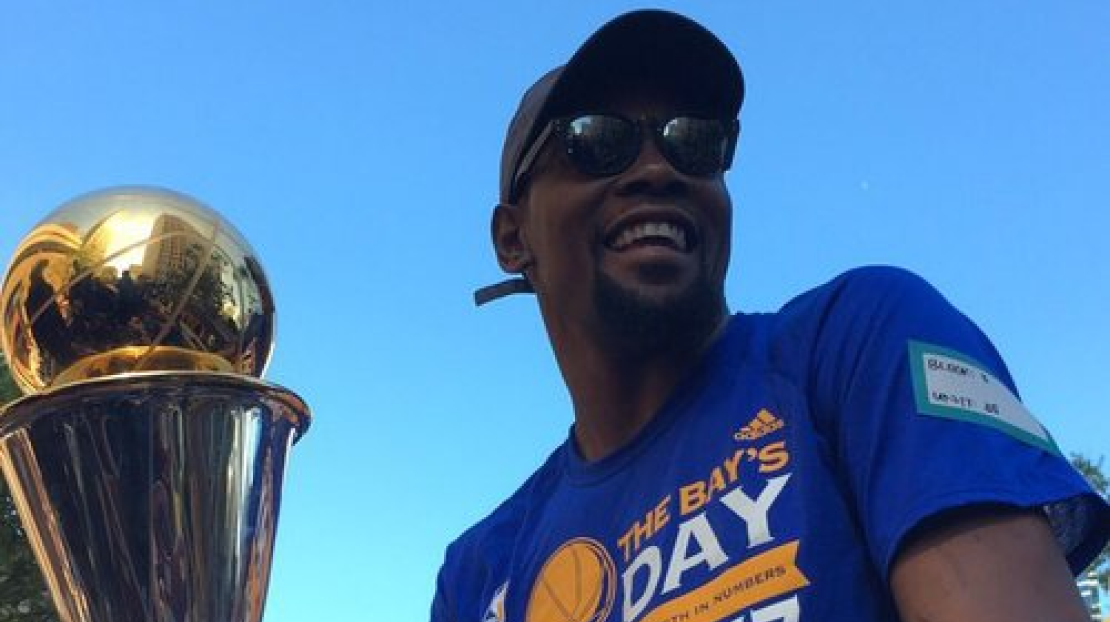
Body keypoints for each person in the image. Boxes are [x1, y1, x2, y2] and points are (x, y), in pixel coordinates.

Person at [432, 9, 1109, 622]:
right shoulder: (484, 568)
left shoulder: (857, 343)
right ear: (512, 238)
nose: (657, 168)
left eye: (692, 141)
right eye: (596, 140)